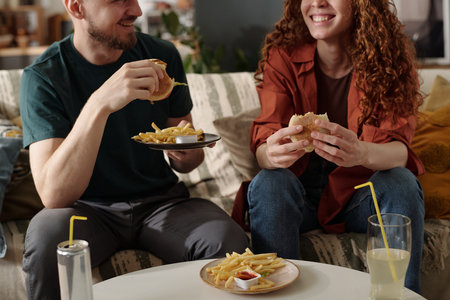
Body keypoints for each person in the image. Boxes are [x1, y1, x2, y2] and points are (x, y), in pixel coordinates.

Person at [19, 0, 249, 299]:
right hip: (86, 210)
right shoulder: (43, 77)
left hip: (162, 203)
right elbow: (54, 195)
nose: (137, 11)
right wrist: (101, 103)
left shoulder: (162, 56)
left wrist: (187, 153)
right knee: (48, 237)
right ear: (76, 7)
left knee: (227, 238)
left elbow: (190, 159)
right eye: (118, 0)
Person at [244, 0, 425, 294]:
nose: (317, 2)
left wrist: (361, 153)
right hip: (298, 197)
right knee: (269, 183)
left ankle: (401, 295)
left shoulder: (390, 59)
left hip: (360, 195)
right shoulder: (283, 57)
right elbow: (264, 144)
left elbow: (400, 151)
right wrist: (270, 154)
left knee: (401, 182)